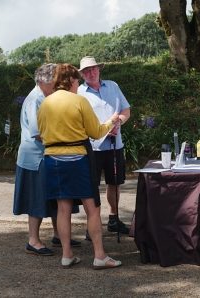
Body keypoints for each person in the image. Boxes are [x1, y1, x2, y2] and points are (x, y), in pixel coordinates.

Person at [37, 63, 121, 269]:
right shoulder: (79, 100)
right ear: (72, 80)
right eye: (77, 80)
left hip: (52, 159)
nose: (78, 85)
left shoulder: (46, 103)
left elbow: (41, 130)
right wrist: (112, 121)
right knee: (92, 208)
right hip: (78, 158)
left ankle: (67, 255)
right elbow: (96, 132)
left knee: (63, 208)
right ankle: (99, 256)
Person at [13, 63, 81, 256]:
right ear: (45, 81)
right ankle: (33, 240)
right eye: (55, 81)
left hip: (45, 155)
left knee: (54, 196)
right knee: (36, 198)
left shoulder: (45, 97)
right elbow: (38, 133)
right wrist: (66, 138)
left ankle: (58, 235)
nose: (58, 85)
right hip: (35, 159)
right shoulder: (36, 99)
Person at [77, 56, 131, 237]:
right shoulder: (79, 92)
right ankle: (91, 224)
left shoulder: (113, 86)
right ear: (82, 74)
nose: (91, 73)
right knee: (91, 185)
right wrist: (101, 130)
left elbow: (125, 110)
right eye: (86, 71)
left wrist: (118, 124)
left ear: (99, 69)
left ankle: (113, 219)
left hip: (115, 143)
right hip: (92, 146)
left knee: (115, 182)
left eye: (93, 69)